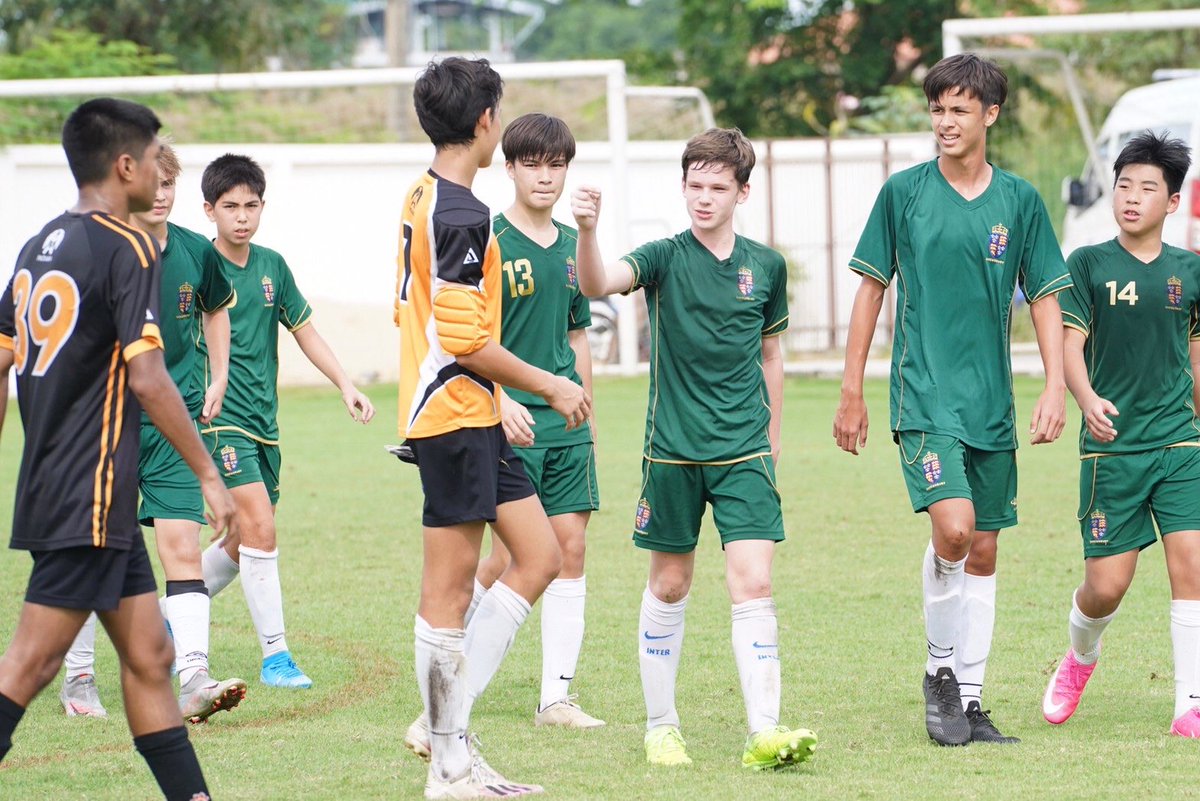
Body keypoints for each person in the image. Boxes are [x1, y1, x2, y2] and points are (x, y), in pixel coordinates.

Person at [832, 53, 1072, 746]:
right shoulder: (903, 193)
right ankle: (938, 674)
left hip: (991, 404)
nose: (945, 121)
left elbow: (1050, 295)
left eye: (960, 109)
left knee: (988, 547)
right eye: (937, 109)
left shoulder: (1020, 201)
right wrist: (853, 388)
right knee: (956, 529)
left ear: (990, 114)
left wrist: (1055, 383)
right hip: (924, 396)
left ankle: (969, 700)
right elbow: (871, 289)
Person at [0, 97, 235, 800]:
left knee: (150, 654)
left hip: (74, 485)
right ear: (125, 165)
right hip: (91, 492)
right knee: (30, 664)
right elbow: (149, 374)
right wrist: (207, 474)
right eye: (156, 153)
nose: (164, 167)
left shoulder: (38, 244)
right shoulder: (129, 245)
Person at [572, 127, 817, 770]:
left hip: (745, 452)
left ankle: (764, 731)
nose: (704, 198)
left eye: (717, 187)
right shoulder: (662, 256)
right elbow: (597, 283)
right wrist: (589, 229)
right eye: (694, 186)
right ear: (683, 187)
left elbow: (771, 354)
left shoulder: (765, 267)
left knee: (755, 581)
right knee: (672, 583)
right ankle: (661, 726)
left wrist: (774, 436)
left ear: (742, 191)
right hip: (672, 452)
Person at [396, 57, 590, 799]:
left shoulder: (425, 192)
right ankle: (449, 763)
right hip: (450, 416)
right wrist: (548, 383)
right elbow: (465, 339)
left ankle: (450, 735)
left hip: (472, 413)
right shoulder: (459, 212)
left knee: (539, 555)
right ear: (486, 124)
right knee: (445, 596)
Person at [59, 141, 247, 724]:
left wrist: (218, 375)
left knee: (181, 546)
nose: (161, 195)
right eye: (151, 184)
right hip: (108, 423)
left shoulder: (195, 251)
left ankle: (193, 675)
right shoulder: (97, 250)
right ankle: (79, 677)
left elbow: (216, 309)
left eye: (170, 185)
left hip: (178, 424)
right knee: (95, 553)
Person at [194, 153, 375, 690]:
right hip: (218, 421)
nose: (242, 216)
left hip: (264, 425)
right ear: (209, 210)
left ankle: (166, 611)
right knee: (261, 529)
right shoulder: (195, 266)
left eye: (251, 205)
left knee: (241, 539)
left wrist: (345, 384)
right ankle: (276, 657)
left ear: (262, 207)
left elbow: (306, 331)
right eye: (230, 207)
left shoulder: (272, 265)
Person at [1042, 131, 1200, 738]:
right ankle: (1081, 655)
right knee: (1106, 588)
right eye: (1124, 185)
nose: (1132, 197)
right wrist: (1085, 399)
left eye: (1147, 188)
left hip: (1179, 444)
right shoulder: (1086, 264)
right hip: (1113, 450)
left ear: (1173, 202)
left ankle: (1188, 704)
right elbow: (1069, 344)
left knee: (1191, 562)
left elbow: (1194, 356)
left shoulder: (1190, 273)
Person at [472, 112, 603, 728]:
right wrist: (502, 400)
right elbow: (470, 340)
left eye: (556, 164)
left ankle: (556, 698)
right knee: (513, 559)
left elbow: (577, 335)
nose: (545, 176)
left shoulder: (573, 251)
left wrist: (587, 412)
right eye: (533, 163)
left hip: (565, 424)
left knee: (570, 549)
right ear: (511, 168)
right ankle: (453, 666)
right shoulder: (491, 243)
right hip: (509, 421)